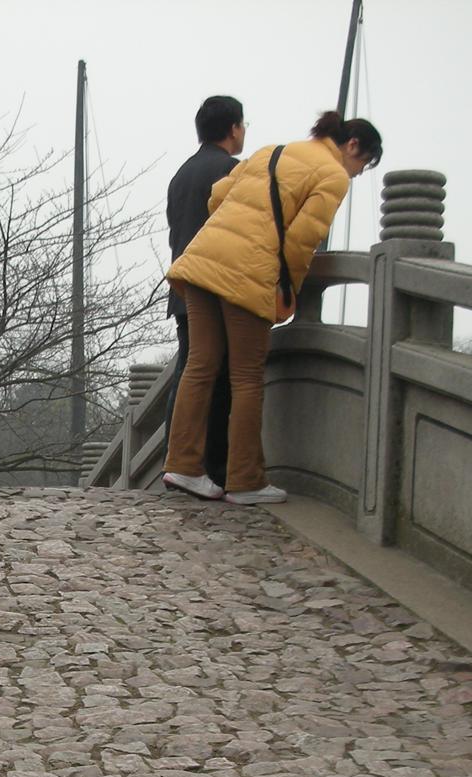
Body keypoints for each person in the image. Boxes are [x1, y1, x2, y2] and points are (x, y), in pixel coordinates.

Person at [162, 110, 382, 504]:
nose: (356, 173)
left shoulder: (272, 151)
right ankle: (245, 480)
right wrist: (287, 292)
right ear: (352, 146)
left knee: (200, 364)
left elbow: (217, 196)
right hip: (247, 272)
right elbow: (302, 240)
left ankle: (183, 465)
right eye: (362, 164)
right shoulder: (331, 176)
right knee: (246, 376)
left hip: (202, 261)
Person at [164, 95, 246, 490]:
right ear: (233, 128)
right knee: (216, 381)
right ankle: (210, 467)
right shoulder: (231, 171)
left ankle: (175, 460)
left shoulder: (181, 174)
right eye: (243, 125)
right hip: (216, 291)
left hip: (183, 288)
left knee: (187, 374)